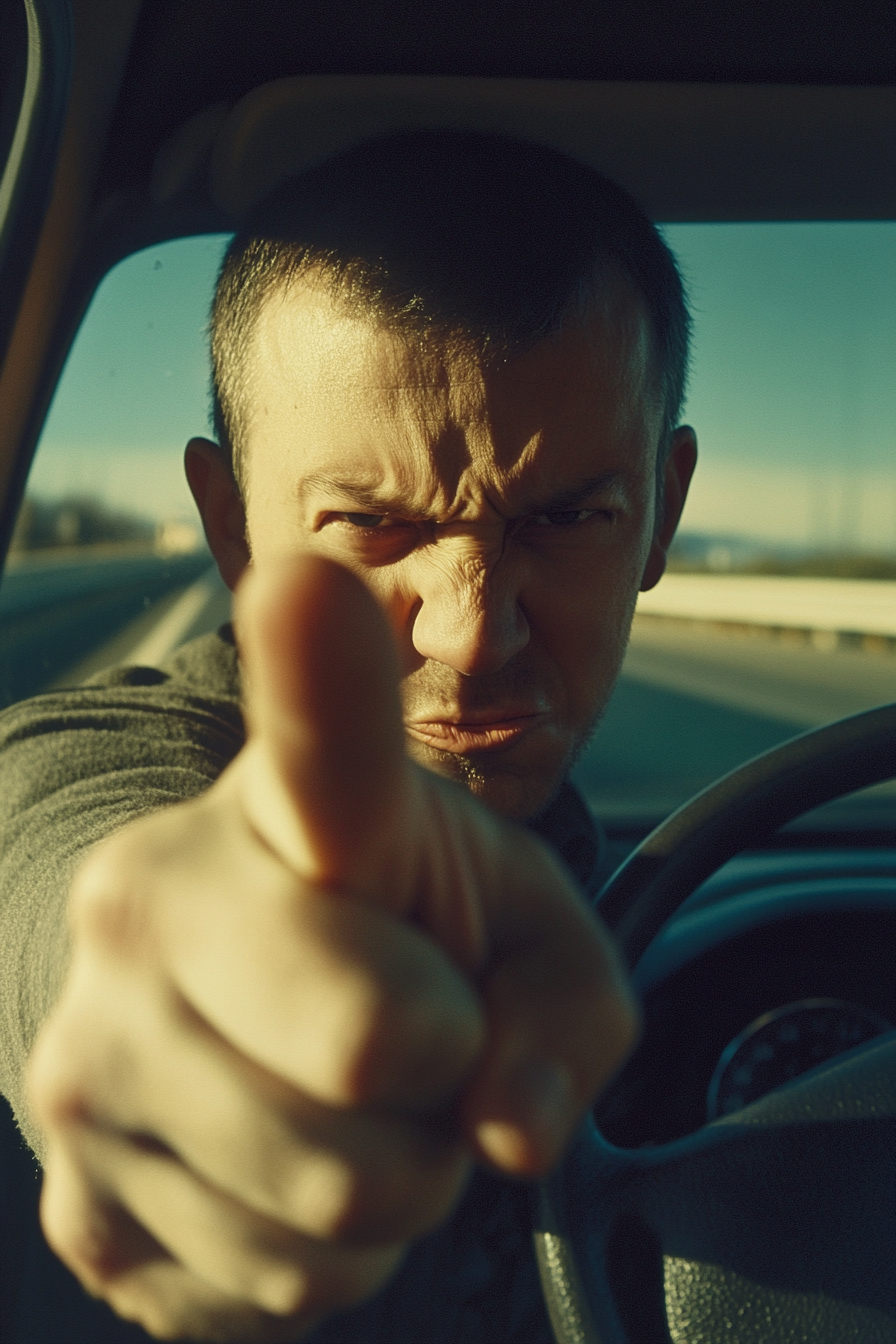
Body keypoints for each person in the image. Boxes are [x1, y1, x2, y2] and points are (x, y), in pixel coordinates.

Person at [0, 129, 696, 1342]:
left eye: (570, 514)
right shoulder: (105, 755)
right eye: (368, 523)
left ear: (662, 513)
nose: (472, 634)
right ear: (231, 523)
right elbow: (71, 859)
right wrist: (199, 1000)